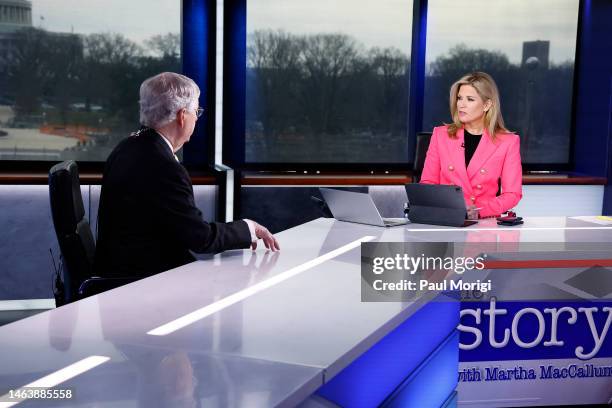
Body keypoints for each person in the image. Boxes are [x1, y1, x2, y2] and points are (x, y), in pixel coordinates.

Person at [95, 72, 279, 278]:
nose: (197, 118)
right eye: (196, 111)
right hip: (145, 282)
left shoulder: (127, 146)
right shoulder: (163, 166)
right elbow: (201, 238)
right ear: (182, 116)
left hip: (123, 269)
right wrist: (248, 227)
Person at [420, 71, 522, 218]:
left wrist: (479, 211)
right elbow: (428, 183)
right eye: (459, 98)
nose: (461, 104)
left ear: (487, 105)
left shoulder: (508, 142)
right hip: (446, 219)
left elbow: (512, 194)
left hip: (484, 223)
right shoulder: (440, 135)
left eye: (470, 99)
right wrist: (449, 210)